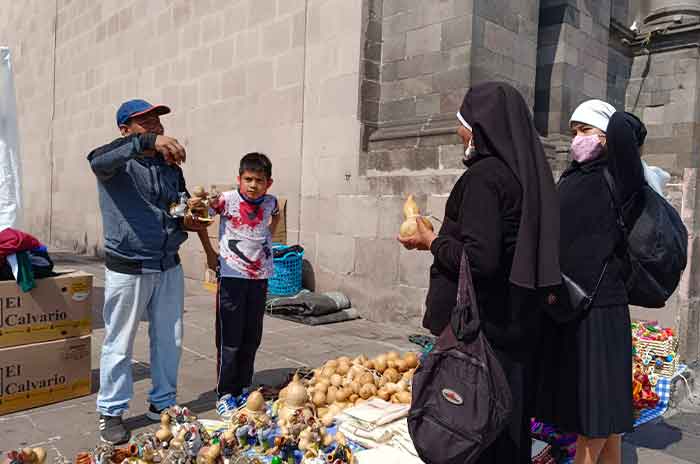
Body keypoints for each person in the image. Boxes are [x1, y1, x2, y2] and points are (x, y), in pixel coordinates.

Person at [399, 82, 561, 463]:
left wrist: (432, 241)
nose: (459, 132)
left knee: (477, 427)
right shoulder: (524, 176)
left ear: (481, 127)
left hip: (484, 328)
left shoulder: (485, 178)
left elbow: (480, 259)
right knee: (509, 421)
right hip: (516, 321)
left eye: (463, 123)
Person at [88, 99, 211, 445]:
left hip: (167, 263)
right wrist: (145, 144)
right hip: (129, 265)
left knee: (169, 338)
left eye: (157, 120)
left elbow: (179, 205)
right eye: (146, 122)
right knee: (120, 340)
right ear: (125, 130)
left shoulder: (168, 165)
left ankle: (163, 404)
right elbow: (96, 159)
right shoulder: (114, 164)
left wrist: (191, 215)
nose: (156, 126)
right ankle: (111, 411)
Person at [535, 100, 647, 464]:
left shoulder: (620, 175)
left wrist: (610, 125)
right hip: (571, 303)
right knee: (602, 412)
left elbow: (628, 133)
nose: (576, 139)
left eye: (584, 130)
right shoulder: (572, 176)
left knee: (596, 412)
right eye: (573, 132)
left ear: (605, 135)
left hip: (601, 305)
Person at [198, 153, 280, 418]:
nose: (253, 185)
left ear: (269, 183)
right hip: (232, 276)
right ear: (239, 179)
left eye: (259, 180)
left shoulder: (271, 202)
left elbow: (275, 217)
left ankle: (244, 386)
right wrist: (210, 252)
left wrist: (268, 238)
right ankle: (225, 393)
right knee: (229, 338)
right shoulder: (226, 200)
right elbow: (200, 218)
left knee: (251, 336)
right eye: (248, 179)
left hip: (259, 278)